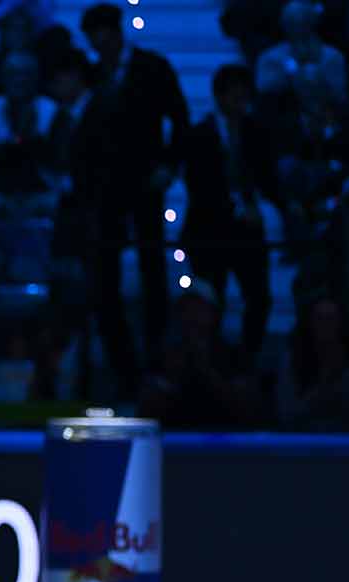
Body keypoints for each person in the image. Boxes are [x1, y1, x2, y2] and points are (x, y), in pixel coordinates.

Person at [80, 2, 188, 395]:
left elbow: (180, 117)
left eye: (103, 32)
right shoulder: (93, 73)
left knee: (152, 271)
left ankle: (156, 358)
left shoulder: (152, 66)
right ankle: (123, 365)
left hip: (145, 184)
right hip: (106, 189)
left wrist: (169, 166)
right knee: (107, 277)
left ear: (117, 31)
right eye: (94, 35)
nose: (99, 42)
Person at [182, 64, 279, 361]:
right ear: (219, 96)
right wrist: (237, 208)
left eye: (243, 94)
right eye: (233, 93)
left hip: (248, 233)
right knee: (211, 302)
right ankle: (210, 361)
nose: (239, 100)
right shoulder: (199, 135)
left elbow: (268, 177)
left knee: (259, 298)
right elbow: (199, 185)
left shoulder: (258, 132)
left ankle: (247, 357)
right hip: (209, 231)